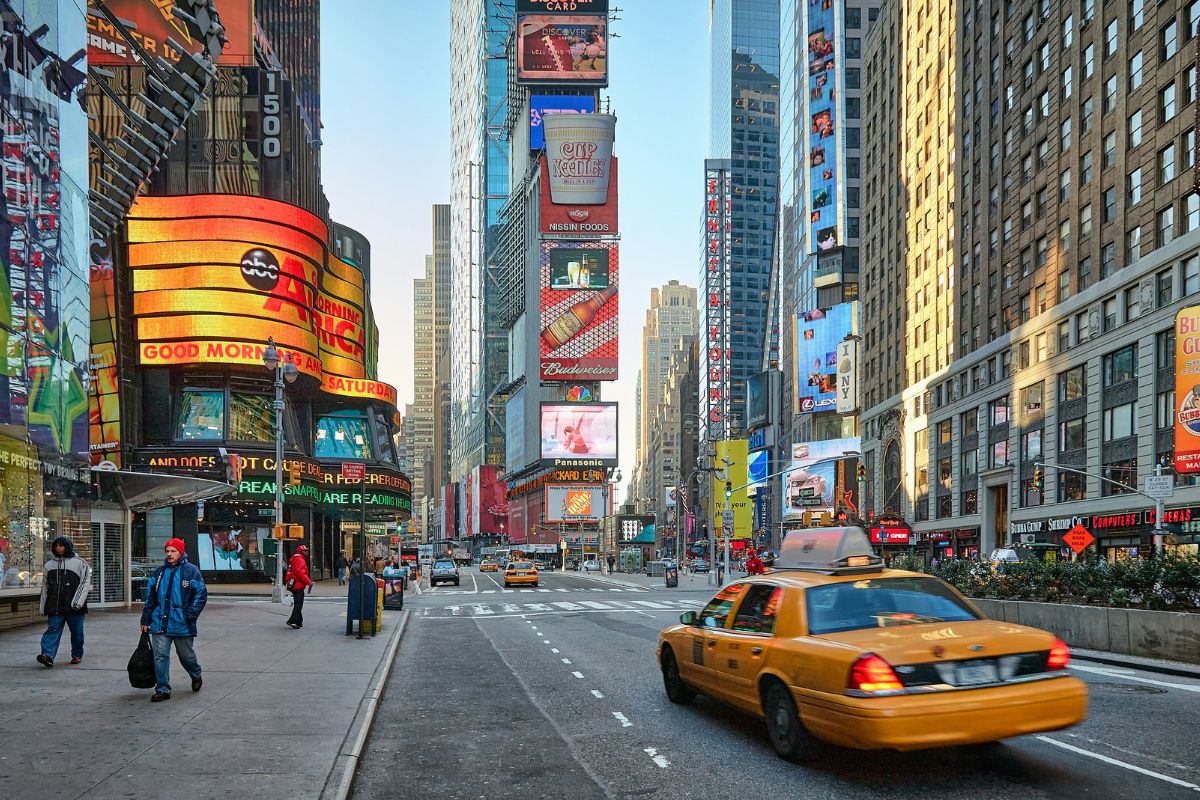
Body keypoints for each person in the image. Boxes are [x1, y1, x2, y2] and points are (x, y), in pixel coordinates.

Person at [140, 538, 207, 702]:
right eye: (167, 551)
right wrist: (145, 620)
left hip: (181, 623)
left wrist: (188, 616)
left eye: (173, 551)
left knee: (186, 655)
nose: (169, 554)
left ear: (181, 552)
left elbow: (201, 595)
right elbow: (150, 598)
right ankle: (162, 688)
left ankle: (196, 674)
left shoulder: (192, 571)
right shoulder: (159, 572)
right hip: (159, 622)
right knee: (160, 656)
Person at [36, 536, 91, 668]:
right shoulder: (49, 565)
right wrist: (43, 607)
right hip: (55, 606)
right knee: (52, 630)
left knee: (77, 632)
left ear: (67, 546)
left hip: (74, 607)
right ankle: (47, 655)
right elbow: (45, 588)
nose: (58, 548)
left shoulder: (79, 563)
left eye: (61, 545)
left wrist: (77, 603)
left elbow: (84, 584)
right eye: (56, 546)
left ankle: (77, 654)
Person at [285, 545, 314, 629]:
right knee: (298, 604)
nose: (307, 552)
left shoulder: (294, 558)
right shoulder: (300, 559)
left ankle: (298, 622)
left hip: (293, 583)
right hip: (298, 585)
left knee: (298, 603)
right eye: (305, 551)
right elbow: (300, 573)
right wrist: (309, 582)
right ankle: (292, 621)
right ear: (301, 552)